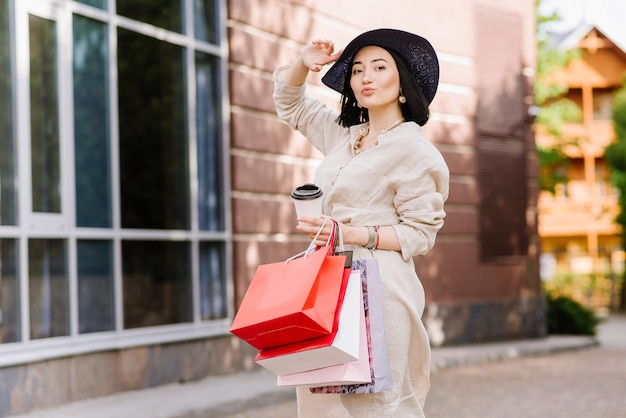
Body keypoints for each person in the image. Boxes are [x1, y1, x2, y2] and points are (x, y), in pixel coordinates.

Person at [273, 28, 449, 417]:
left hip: (380, 286)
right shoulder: (344, 137)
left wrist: (349, 233)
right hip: (326, 282)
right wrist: (304, 63)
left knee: (378, 405)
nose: (365, 77)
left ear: (402, 82)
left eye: (379, 67)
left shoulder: (416, 152)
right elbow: (291, 105)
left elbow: (420, 232)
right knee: (320, 401)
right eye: (356, 70)